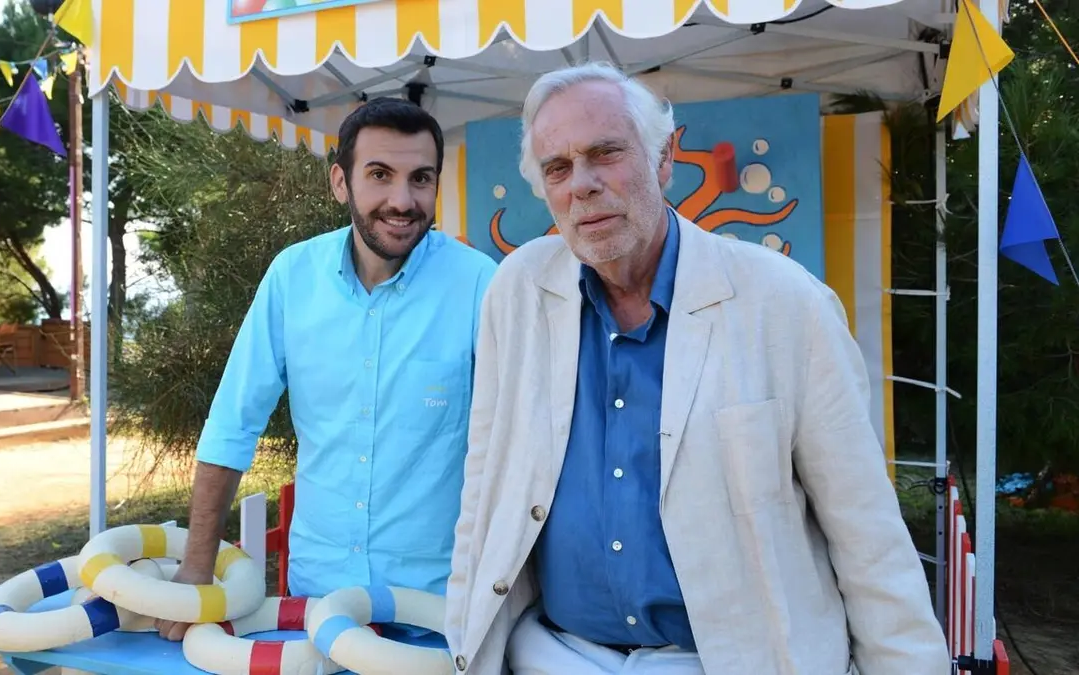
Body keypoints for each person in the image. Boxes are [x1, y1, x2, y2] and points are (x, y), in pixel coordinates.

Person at [444, 63, 949, 675]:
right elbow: (485, 486)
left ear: (664, 159)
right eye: (558, 168)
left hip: (729, 662)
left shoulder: (787, 304)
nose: (582, 185)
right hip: (553, 652)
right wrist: (463, 633)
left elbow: (865, 531)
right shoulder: (518, 290)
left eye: (605, 153)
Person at [157, 97, 498, 641]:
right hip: (316, 602)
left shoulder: (482, 284)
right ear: (340, 182)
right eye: (380, 175)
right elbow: (233, 423)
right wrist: (197, 566)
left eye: (421, 178)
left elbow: (520, 445)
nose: (402, 200)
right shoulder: (291, 277)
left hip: (438, 611)